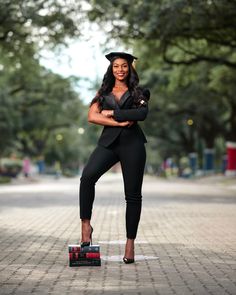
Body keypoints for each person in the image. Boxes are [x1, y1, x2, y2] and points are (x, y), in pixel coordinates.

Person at [79, 52, 150, 264]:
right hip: (108, 144)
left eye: (124, 66)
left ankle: (130, 244)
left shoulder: (140, 92)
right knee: (87, 178)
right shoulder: (103, 93)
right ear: (111, 69)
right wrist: (118, 121)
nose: (120, 70)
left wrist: (111, 113)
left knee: (133, 196)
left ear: (130, 69)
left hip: (133, 145)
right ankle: (85, 225)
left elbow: (141, 115)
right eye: (116, 66)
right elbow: (92, 116)